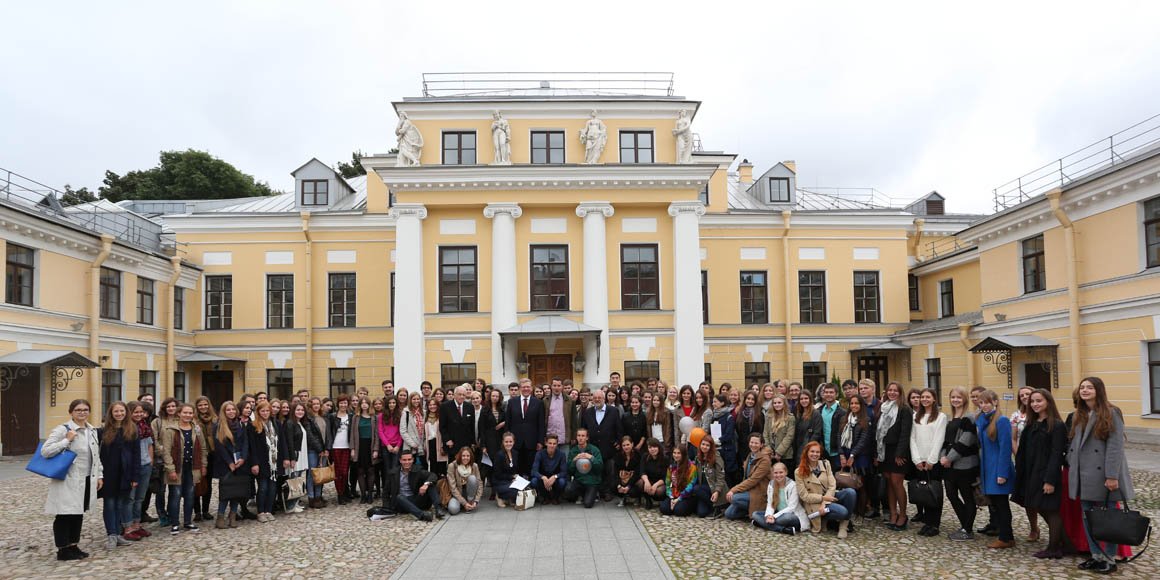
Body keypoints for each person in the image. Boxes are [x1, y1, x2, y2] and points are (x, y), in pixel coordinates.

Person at [1068, 377, 1135, 574]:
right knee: (1088, 517)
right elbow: (1075, 444)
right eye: (1082, 387)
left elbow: (1115, 447)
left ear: (1099, 390)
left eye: (1089, 387)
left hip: (1104, 475)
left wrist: (1112, 476)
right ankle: (1096, 556)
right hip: (1083, 474)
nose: (1085, 390)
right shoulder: (1079, 414)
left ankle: (1110, 558)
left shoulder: (1111, 412)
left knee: (1109, 518)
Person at [1013, 388, 1071, 559]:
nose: (1035, 404)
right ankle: (1065, 542)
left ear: (1048, 402)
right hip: (1031, 473)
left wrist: (1050, 480)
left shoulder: (1057, 425)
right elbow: (1023, 451)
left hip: (1046, 474)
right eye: (1032, 401)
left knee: (1051, 510)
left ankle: (1054, 548)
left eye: (1039, 401)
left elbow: (1056, 455)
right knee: (1038, 506)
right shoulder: (1032, 423)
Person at [43, 399, 104, 560]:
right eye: (78, 410)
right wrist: (67, 440)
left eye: (85, 409)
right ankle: (62, 549)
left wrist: (99, 475)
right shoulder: (63, 429)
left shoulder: (92, 430)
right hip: (67, 479)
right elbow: (46, 451)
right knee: (64, 514)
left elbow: (96, 456)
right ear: (71, 412)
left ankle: (73, 545)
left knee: (78, 513)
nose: (82, 412)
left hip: (86, 479)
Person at [976, 389, 1016, 549]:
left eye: (987, 402)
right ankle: (1006, 535)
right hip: (988, 468)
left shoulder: (1002, 420)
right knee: (996, 505)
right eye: (981, 403)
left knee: (1002, 505)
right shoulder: (983, 420)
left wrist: (1002, 473)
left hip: (998, 469)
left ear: (995, 402)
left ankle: (1006, 538)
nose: (984, 405)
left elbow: (1005, 448)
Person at [939, 386, 980, 541]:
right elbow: (945, 440)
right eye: (953, 397)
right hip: (948, 465)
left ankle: (967, 529)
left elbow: (966, 442)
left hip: (964, 465)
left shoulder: (969, 418)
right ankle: (965, 525)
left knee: (967, 497)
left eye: (959, 397)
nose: (955, 400)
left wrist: (949, 458)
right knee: (951, 494)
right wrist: (943, 457)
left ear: (964, 399)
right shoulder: (949, 418)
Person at [162, 403, 208, 535]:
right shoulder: (170, 430)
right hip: (177, 467)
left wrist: (203, 465)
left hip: (192, 467)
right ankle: (175, 523)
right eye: (185, 413)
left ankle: (188, 521)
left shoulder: (196, 429)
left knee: (190, 495)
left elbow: (203, 448)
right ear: (179, 414)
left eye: (190, 413)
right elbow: (166, 451)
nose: (188, 415)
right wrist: (170, 469)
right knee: (175, 495)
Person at [98, 401, 139, 550]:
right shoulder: (103, 431)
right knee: (109, 504)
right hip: (108, 474)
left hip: (125, 474)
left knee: (119, 504)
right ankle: (111, 534)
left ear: (126, 412)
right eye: (116, 411)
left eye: (122, 411)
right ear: (111, 413)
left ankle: (118, 534)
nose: (119, 414)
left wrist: (135, 476)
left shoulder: (132, 429)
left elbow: (136, 454)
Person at [796, 441, 856, 538]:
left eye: (817, 452)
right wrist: (822, 499)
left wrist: (825, 501)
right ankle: (823, 519)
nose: (815, 454)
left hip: (828, 498)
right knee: (843, 512)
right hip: (815, 503)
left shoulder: (825, 464)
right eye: (812, 451)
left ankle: (843, 526)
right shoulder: (799, 471)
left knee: (851, 493)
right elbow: (804, 496)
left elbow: (832, 485)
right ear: (806, 453)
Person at [875, 381, 913, 531]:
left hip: (898, 452)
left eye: (895, 391)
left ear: (900, 392)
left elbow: (905, 433)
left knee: (897, 483)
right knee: (889, 483)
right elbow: (878, 432)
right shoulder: (883, 408)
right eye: (889, 390)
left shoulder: (904, 409)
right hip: (885, 450)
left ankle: (903, 515)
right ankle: (893, 514)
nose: (892, 393)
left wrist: (900, 453)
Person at [910, 388, 947, 536]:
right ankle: (926, 522)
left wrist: (931, 459)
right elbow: (912, 439)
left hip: (933, 461)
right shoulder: (915, 417)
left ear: (934, 399)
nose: (924, 399)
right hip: (919, 461)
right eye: (922, 397)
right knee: (923, 492)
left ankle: (934, 524)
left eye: (928, 397)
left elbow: (939, 438)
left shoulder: (940, 417)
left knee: (934, 491)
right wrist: (917, 459)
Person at [212, 401, 248, 529]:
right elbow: (219, 447)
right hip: (225, 463)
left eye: (233, 409)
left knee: (237, 491)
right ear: (224, 412)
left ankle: (232, 515)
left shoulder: (240, 425)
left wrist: (243, 458)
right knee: (226, 491)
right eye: (228, 410)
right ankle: (220, 516)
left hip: (240, 462)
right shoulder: (218, 425)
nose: (231, 412)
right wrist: (230, 462)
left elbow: (245, 443)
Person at [582, 389, 622, 501]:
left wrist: (619, 443)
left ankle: (608, 492)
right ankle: (597, 491)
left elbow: (619, 429)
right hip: (593, 448)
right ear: (592, 399)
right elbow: (584, 429)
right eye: (595, 398)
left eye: (599, 398)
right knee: (595, 470)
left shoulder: (613, 411)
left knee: (609, 470)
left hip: (609, 447)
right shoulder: (588, 412)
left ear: (604, 399)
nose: (597, 400)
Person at [122, 401, 154, 541]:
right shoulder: (125, 428)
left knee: (140, 498)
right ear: (129, 413)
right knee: (130, 498)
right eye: (136, 412)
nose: (139, 414)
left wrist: (150, 462)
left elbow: (149, 445)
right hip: (131, 468)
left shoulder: (144, 426)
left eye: (141, 412)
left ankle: (136, 525)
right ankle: (127, 527)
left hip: (145, 465)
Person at [838, 395, 873, 516]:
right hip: (846, 454)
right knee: (847, 484)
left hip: (860, 456)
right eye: (852, 403)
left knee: (859, 484)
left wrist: (853, 455)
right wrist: (842, 454)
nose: (854, 406)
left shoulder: (866, 419)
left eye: (856, 403)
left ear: (861, 405)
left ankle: (861, 512)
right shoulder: (844, 419)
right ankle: (850, 510)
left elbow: (863, 440)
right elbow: (839, 437)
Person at [725, 433, 772, 521]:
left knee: (734, 498)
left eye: (756, 443)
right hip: (749, 490)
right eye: (751, 442)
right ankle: (750, 509)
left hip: (759, 492)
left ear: (761, 445)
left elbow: (752, 480)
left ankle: (759, 509)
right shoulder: (750, 455)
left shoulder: (765, 460)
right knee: (729, 514)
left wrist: (734, 490)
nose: (753, 445)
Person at [752, 462, 808, 535]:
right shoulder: (771, 484)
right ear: (772, 474)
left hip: (793, 515)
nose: (778, 475)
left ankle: (761, 523)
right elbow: (770, 504)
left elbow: (792, 507)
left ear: (786, 472)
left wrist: (774, 517)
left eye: (781, 472)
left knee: (786, 517)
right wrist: (769, 515)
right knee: (755, 514)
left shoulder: (793, 485)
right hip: (778, 515)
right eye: (776, 473)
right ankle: (784, 530)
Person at [247, 401, 281, 522]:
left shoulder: (275, 424)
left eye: (267, 411)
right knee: (263, 487)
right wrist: (254, 463)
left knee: (273, 488)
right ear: (258, 412)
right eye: (263, 411)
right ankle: (260, 511)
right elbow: (252, 446)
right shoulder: (253, 425)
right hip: (261, 461)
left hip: (274, 461)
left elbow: (281, 442)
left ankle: (268, 510)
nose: (265, 413)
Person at [507, 378, 546, 479]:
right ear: (520, 388)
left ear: (531, 388)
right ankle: (518, 492)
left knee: (531, 469)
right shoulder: (512, 402)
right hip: (515, 442)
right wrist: (507, 440)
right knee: (517, 468)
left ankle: (531, 492)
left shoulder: (538, 403)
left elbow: (541, 424)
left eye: (528, 387)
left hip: (532, 442)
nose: (526, 389)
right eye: (523, 387)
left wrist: (540, 441)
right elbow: (508, 422)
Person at [389, 450, 441, 521]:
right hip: (402, 503)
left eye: (409, 459)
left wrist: (425, 484)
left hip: (416, 499)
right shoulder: (393, 473)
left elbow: (433, 475)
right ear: (400, 460)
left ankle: (438, 509)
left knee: (430, 484)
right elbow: (385, 493)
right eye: (404, 460)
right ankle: (422, 515)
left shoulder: (417, 470)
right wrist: (386, 509)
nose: (407, 462)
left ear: (413, 460)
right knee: (399, 497)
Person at [701, 394, 737, 485]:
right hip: (716, 450)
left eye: (715, 402)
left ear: (722, 403)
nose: (713, 404)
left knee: (728, 475)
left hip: (727, 451)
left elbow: (729, 435)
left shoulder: (729, 417)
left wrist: (718, 440)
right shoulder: (714, 416)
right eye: (713, 402)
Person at [350, 397, 380, 504]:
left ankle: (370, 494)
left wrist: (376, 449)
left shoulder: (374, 418)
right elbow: (352, 434)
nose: (364, 405)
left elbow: (377, 434)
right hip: (359, 446)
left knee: (371, 471)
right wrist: (352, 448)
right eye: (362, 403)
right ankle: (363, 495)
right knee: (360, 471)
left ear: (369, 405)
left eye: (366, 403)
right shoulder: (355, 417)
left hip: (370, 446)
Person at [192, 396, 217, 523]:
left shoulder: (214, 419)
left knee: (208, 482)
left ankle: (206, 510)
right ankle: (197, 511)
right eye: (200, 405)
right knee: (197, 482)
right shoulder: (193, 420)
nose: (203, 407)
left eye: (205, 405)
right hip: (197, 454)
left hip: (211, 454)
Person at [565, 428, 604, 509]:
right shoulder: (573, 451)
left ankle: (593, 493)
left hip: (592, 481)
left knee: (588, 504)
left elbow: (600, 467)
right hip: (579, 480)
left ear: (587, 437)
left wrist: (592, 458)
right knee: (568, 491)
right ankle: (582, 494)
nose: (580, 438)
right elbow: (569, 470)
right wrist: (574, 460)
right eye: (579, 435)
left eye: (583, 436)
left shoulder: (594, 450)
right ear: (576, 437)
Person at [328, 395, 354, 504]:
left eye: (345, 403)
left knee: (345, 472)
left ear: (348, 404)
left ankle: (344, 492)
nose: (343, 405)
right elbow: (329, 433)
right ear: (338, 404)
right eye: (341, 403)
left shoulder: (351, 416)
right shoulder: (332, 416)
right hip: (335, 447)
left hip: (347, 447)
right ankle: (340, 494)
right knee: (338, 473)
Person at [693, 437, 728, 518]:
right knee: (701, 513)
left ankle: (718, 507)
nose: (704, 447)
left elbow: (721, 476)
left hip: (714, 487)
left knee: (696, 488)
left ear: (711, 447)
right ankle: (712, 506)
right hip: (704, 488)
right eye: (703, 444)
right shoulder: (698, 457)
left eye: (707, 445)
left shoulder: (717, 457)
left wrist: (717, 491)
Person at [659, 445, 697, 517]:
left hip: (686, 496)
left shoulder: (691, 467)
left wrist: (679, 499)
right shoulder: (671, 467)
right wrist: (671, 498)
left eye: (679, 453)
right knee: (664, 509)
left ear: (684, 454)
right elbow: (668, 483)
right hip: (674, 495)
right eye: (674, 453)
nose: (676, 455)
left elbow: (691, 485)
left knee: (679, 511)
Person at [532, 434, 569, 504]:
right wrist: (542, 477)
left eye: (554, 443)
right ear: (546, 443)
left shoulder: (561, 454)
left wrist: (555, 477)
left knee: (562, 481)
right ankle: (544, 497)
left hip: (556, 479)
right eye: (550, 443)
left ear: (557, 444)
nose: (552, 445)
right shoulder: (539, 454)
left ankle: (556, 497)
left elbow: (564, 471)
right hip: (543, 479)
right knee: (534, 481)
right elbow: (534, 471)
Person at [446, 447, 482, 515]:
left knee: (472, 478)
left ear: (471, 457)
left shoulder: (474, 466)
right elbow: (453, 488)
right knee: (453, 510)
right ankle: (464, 505)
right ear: (460, 456)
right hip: (457, 494)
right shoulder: (452, 466)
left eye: (468, 456)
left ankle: (470, 503)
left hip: (470, 494)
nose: (466, 458)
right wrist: (464, 502)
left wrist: (476, 500)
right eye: (463, 456)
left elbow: (480, 484)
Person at [792, 390, 823, 468]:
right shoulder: (798, 413)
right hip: (798, 447)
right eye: (801, 399)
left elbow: (817, 433)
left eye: (806, 398)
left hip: (809, 448)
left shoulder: (816, 414)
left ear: (810, 400)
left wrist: (808, 448)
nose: (804, 401)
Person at [763, 394, 795, 467]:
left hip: (785, 455)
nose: (777, 405)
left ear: (784, 404)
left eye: (779, 403)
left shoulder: (790, 418)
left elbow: (789, 436)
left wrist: (779, 452)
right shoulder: (769, 416)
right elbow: (765, 434)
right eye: (775, 403)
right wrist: (769, 450)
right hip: (770, 454)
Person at [818, 384, 847, 465]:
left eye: (831, 392)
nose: (828, 394)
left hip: (836, 452)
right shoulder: (818, 411)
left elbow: (842, 434)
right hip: (822, 451)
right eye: (826, 392)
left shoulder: (842, 413)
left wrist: (842, 453)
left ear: (836, 394)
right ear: (823, 394)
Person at [543, 378, 572, 456]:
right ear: (551, 386)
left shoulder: (569, 400)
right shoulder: (545, 400)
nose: (556, 388)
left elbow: (573, 420)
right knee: (550, 462)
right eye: (554, 385)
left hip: (564, 438)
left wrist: (573, 437)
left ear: (562, 386)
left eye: (559, 385)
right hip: (550, 438)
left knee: (564, 462)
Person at [637, 438, 668, 508]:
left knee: (660, 491)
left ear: (659, 447)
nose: (652, 449)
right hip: (649, 481)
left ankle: (660, 500)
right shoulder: (645, 456)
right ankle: (647, 499)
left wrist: (656, 485)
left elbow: (666, 476)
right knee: (640, 483)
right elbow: (642, 471)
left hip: (660, 483)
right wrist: (646, 481)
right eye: (650, 447)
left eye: (654, 447)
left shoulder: (665, 459)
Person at [612, 436, 642, 507]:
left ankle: (636, 498)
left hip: (633, 480)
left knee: (633, 491)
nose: (626, 447)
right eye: (624, 445)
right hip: (622, 479)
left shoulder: (638, 455)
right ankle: (622, 497)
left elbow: (637, 473)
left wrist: (628, 486)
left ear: (632, 444)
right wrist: (619, 485)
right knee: (613, 485)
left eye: (628, 444)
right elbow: (615, 472)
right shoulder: (618, 456)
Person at [491, 433, 519, 508]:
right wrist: (512, 477)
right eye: (506, 442)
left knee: (525, 487)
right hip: (500, 482)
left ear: (514, 442)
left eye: (510, 441)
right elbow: (498, 474)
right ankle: (500, 497)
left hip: (510, 480)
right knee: (516, 491)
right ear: (503, 442)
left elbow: (515, 470)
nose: (508, 444)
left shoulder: (515, 453)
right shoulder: (499, 455)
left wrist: (517, 477)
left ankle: (508, 499)